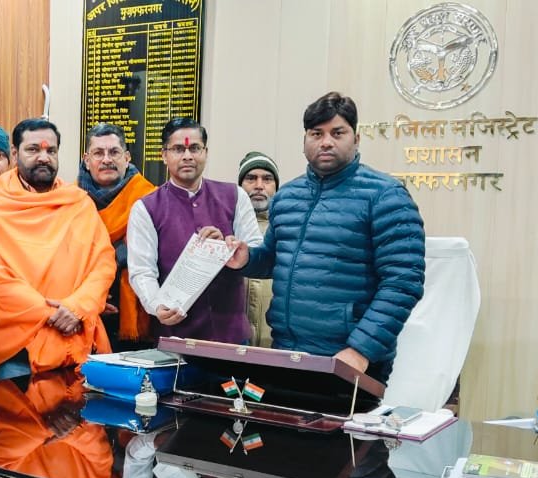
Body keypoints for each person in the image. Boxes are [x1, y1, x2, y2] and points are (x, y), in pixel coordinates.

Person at [225, 92, 424, 381]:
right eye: (316, 133)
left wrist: (360, 350)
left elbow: (403, 282)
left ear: (356, 139)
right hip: (287, 352)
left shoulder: (386, 196)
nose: (326, 142)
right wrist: (247, 259)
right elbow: (273, 259)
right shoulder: (287, 197)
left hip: (348, 359)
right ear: (305, 140)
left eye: (337, 133)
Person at [0, 118, 116, 478]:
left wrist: (78, 307)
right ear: (15, 153)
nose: (43, 157)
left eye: (51, 150)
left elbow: (103, 264)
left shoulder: (78, 203)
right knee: (12, 464)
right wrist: (51, 313)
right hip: (20, 351)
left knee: (88, 444)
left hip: (79, 342)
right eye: (33, 149)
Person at [128, 118, 262, 343]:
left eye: (195, 148)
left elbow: (257, 252)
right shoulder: (146, 208)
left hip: (231, 335)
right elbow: (142, 271)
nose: (188, 156)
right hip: (176, 336)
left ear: (206, 153)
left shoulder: (235, 196)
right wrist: (156, 305)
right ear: (164, 155)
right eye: (178, 149)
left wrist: (231, 249)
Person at [77, 123, 157, 348]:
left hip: (138, 318)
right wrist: (92, 297)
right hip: (82, 313)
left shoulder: (151, 199)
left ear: (127, 158)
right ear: (86, 160)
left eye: (114, 152)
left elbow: (155, 253)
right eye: (98, 153)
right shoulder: (71, 200)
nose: (107, 159)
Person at [238, 151, 279, 348]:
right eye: (251, 178)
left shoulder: (286, 231)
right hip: (233, 344)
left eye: (267, 179)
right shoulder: (227, 229)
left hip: (275, 343)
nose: (259, 185)